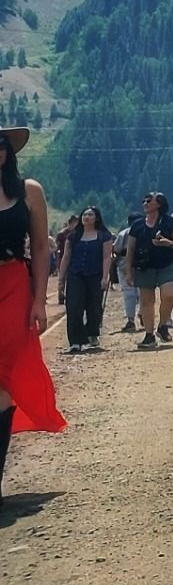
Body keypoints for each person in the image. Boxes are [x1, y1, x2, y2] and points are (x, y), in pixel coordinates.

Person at [0, 126, 65, 507]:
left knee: (6, 380)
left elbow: (41, 248)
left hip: (13, 285)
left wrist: (39, 299)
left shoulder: (29, 192)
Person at [128, 193, 173, 350]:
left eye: (149, 201)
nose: (145, 203)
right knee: (147, 301)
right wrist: (128, 270)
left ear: (159, 204)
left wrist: (168, 243)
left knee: (169, 295)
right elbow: (130, 249)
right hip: (145, 265)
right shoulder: (137, 225)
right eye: (144, 201)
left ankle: (162, 325)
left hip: (167, 263)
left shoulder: (169, 222)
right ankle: (149, 335)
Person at [56, 206, 111, 354]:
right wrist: (61, 279)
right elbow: (66, 257)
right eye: (85, 214)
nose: (87, 217)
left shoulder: (104, 235)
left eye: (90, 215)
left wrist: (105, 277)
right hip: (75, 275)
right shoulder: (73, 236)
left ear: (96, 218)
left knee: (94, 307)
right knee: (73, 307)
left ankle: (92, 332)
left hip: (95, 275)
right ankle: (75, 341)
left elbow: (107, 257)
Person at [112, 216, 139, 333]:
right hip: (141, 263)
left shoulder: (123, 233)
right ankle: (143, 312)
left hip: (123, 263)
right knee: (142, 291)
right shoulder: (143, 231)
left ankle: (131, 320)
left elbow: (116, 248)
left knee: (128, 293)